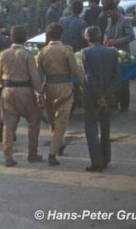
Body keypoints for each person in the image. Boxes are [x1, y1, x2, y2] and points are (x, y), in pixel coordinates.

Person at [36, 23, 84, 166]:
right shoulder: (67, 51)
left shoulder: (42, 52)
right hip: (65, 88)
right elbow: (76, 71)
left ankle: (59, 144)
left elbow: (38, 75)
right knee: (61, 122)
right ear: (61, 35)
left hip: (48, 88)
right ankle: (52, 152)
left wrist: (39, 93)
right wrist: (83, 85)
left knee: (52, 121)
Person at [0, 26, 44, 167]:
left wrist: (2, 85)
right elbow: (35, 77)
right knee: (34, 121)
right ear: (25, 39)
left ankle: (8, 156)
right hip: (25, 91)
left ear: (11, 38)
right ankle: (32, 153)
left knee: (8, 125)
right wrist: (40, 92)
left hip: (7, 90)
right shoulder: (27, 55)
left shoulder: (3, 54)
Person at [82, 26, 121, 171]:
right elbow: (117, 77)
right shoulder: (112, 52)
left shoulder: (85, 52)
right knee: (105, 127)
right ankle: (106, 157)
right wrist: (106, 95)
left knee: (91, 129)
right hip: (108, 95)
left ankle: (96, 161)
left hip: (92, 96)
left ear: (87, 38)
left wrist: (98, 96)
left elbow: (89, 76)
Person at [99, 0, 135, 111]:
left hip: (123, 54)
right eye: (107, 13)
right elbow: (106, 32)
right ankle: (114, 103)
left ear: (115, 10)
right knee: (113, 80)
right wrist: (105, 39)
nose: (108, 15)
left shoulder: (125, 20)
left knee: (123, 80)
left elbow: (131, 36)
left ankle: (124, 105)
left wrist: (116, 41)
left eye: (109, 12)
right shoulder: (109, 21)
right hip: (111, 54)